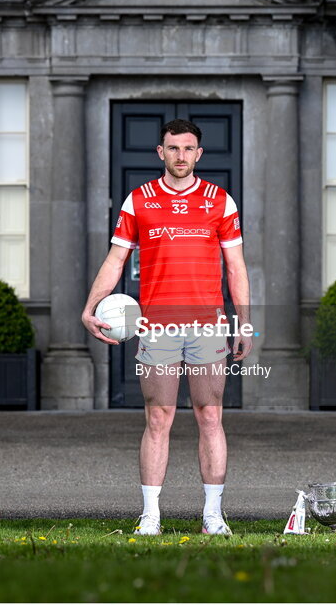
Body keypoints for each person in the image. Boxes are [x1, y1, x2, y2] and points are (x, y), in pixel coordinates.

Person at [81, 118, 252, 536]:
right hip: (156, 326)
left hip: (208, 325)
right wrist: (90, 306)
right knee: (159, 417)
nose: (180, 156)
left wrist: (243, 322)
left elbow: (236, 266)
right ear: (161, 152)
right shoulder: (138, 200)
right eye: (173, 148)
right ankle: (150, 515)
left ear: (199, 154)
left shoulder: (220, 201)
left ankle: (213, 515)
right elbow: (115, 259)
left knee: (210, 416)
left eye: (188, 148)